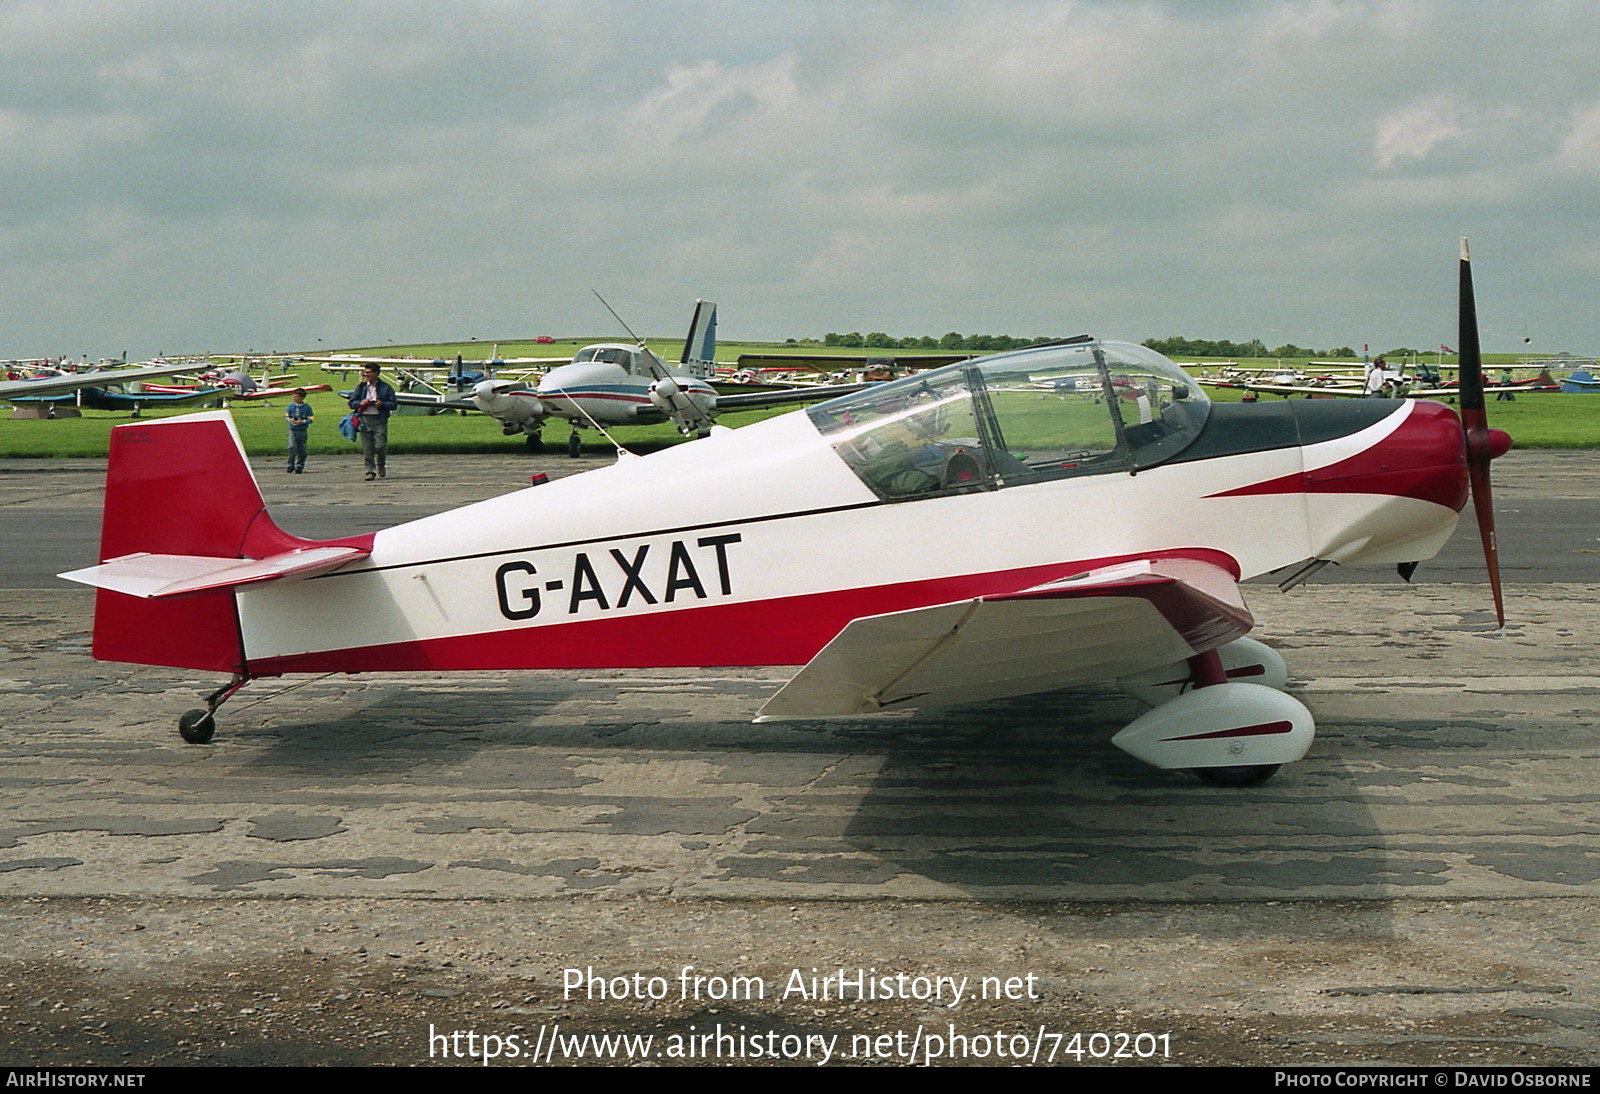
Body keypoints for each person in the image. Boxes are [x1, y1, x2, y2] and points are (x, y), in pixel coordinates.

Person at [347, 366, 397, 480]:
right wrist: (361, 402)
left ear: (376, 373)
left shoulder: (386, 387)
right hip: (364, 419)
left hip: (379, 420)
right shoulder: (361, 387)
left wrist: (382, 404)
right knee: (367, 447)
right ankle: (370, 471)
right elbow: (351, 403)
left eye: (369, 372)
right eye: (365, 372)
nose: (366, 374)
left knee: (380, 445)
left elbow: (394, 404)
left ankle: (381, 464)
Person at [284, 388, 313, 473]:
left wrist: (302, 421)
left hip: (302, 430)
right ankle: (290, 465)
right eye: (294, 396)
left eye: (297, 397)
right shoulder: (290, 406)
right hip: (292, 429)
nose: (295, 398)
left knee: (301, 448)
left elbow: (310, 419)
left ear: (302, 398)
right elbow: (286, 417)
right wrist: (291, 420)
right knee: (291, 447)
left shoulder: (307, 407)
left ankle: (300, 465)